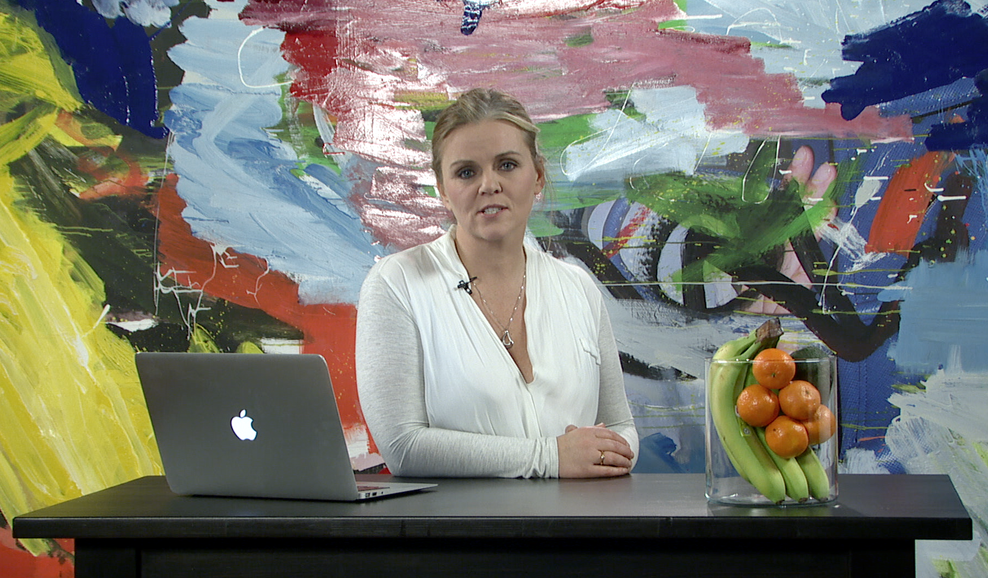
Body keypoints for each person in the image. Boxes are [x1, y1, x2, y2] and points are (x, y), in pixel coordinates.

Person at [355, 88, 638, 478]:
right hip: (457, 520)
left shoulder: (579, 289)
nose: (489, 184)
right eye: (466, 172)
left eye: (507, 165)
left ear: (537, 176)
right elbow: (402, 446)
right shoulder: (396, 284)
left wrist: (607, 452)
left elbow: (621, 426)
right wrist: (551, 457)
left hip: (580, 518)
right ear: (443, 189)